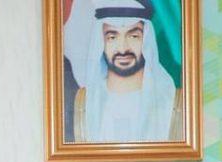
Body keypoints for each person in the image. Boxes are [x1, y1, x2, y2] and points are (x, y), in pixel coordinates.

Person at [71, 0, 182, 144]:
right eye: (112, 37)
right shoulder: (85, 103)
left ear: (146, 40)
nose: (123, 49)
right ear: (101, 42)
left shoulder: (170, 100)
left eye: (133, 36)